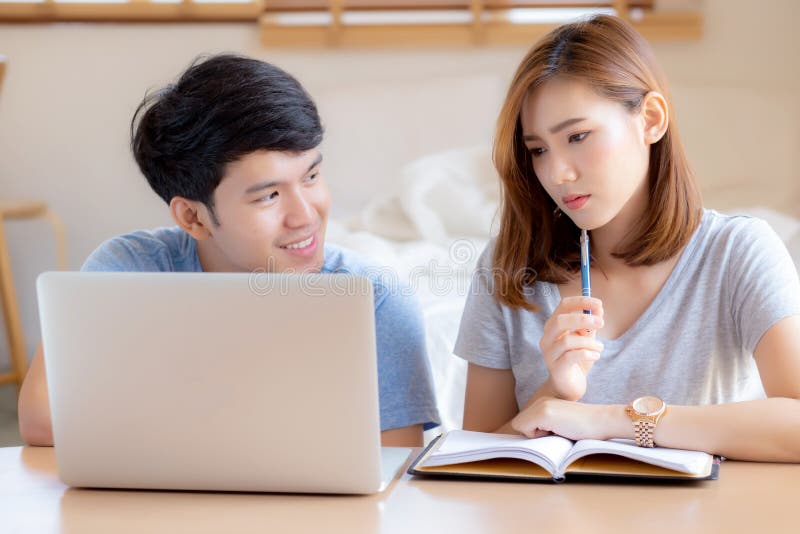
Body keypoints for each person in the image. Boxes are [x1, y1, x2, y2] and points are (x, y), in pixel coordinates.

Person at [18, 54, 440, 447]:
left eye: (311, 175)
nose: (305, 215)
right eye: (269, 195)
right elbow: (40, 416)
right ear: (193, 219)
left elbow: (394, 469)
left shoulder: (375, 299)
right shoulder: (130, 270)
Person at [456, 15, 800, 461]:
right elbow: (471, 461)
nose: (557, 173)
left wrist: (613, 419)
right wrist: (555, 390)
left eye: (577, 136)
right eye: (539, 150)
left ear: (651, 120)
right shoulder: (507, 263)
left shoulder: (736, 251)